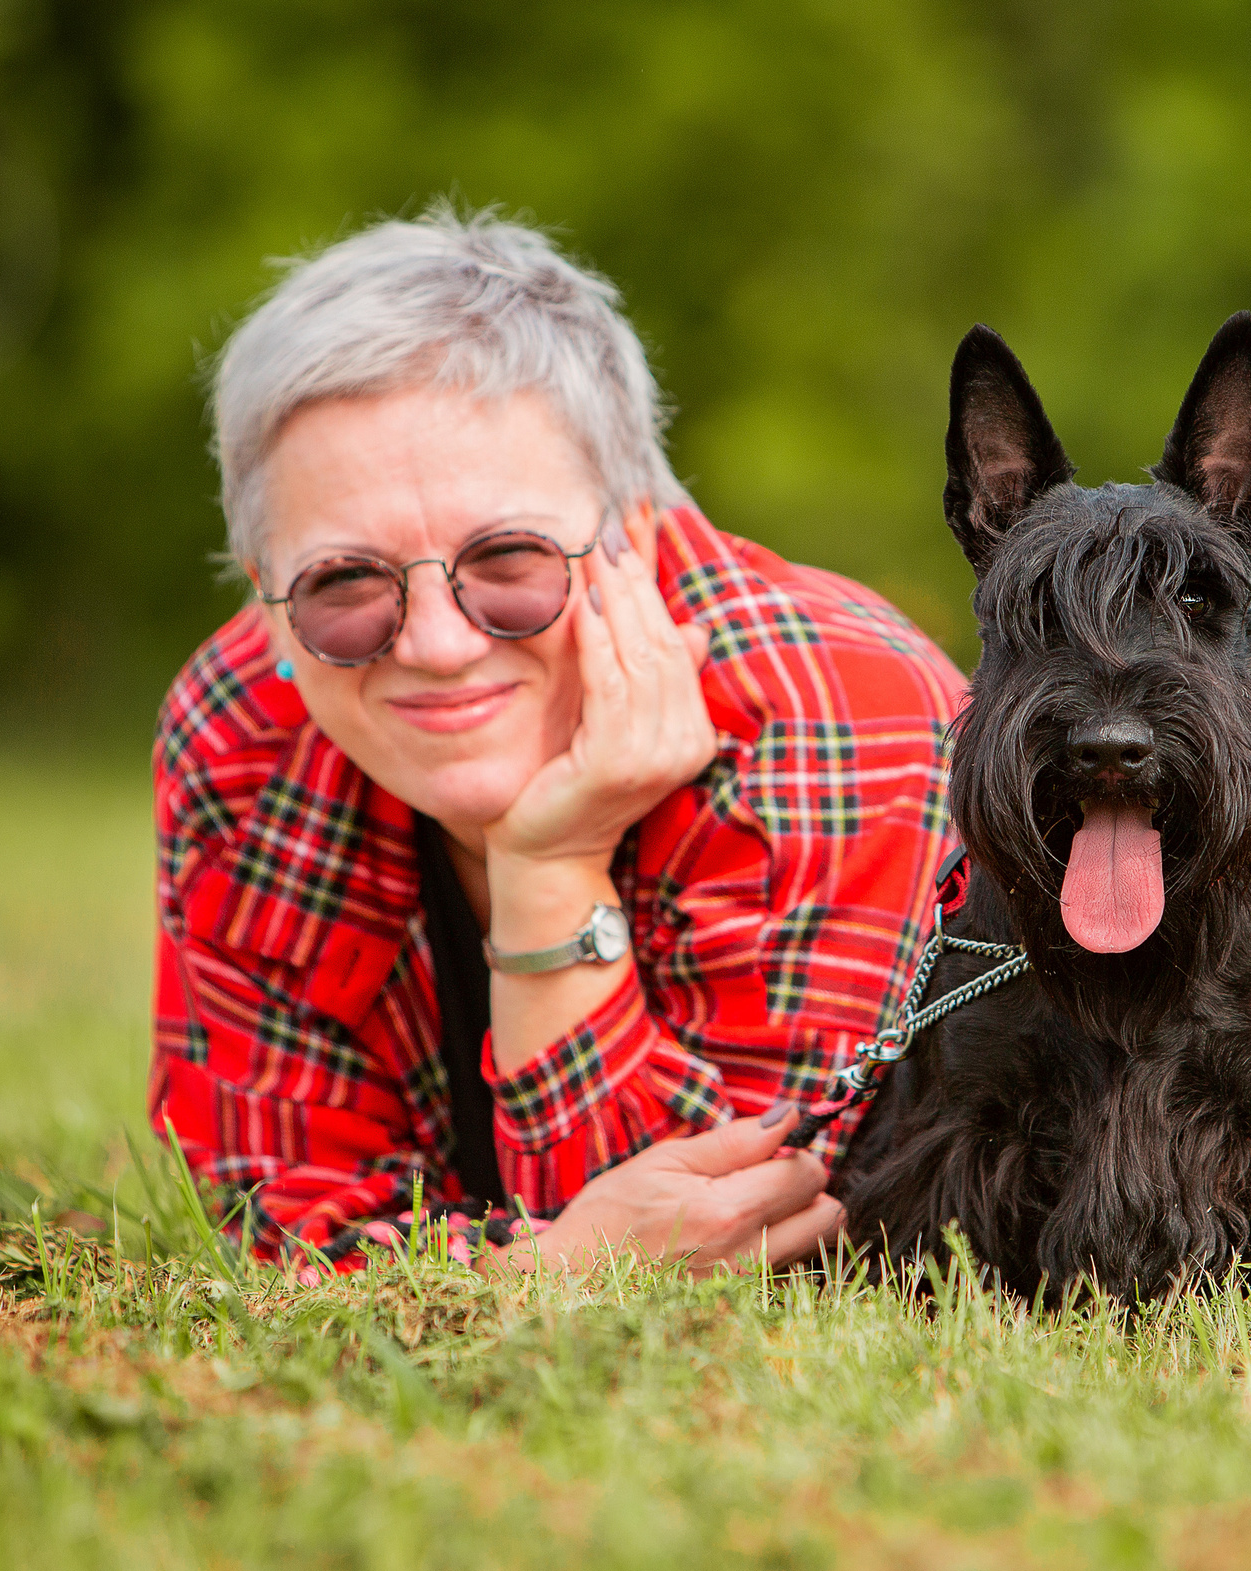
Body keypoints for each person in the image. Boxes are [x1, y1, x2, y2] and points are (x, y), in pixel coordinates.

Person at [149, 205, 966, 1276]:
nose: (436, 647)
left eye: (509, 560)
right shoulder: (245, 727)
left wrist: (550, 871)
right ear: (263, 603)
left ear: (637, 533)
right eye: (343, 583)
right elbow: (275, 1213)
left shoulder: (847, 714)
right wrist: (539, 1273)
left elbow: (743, 1234)